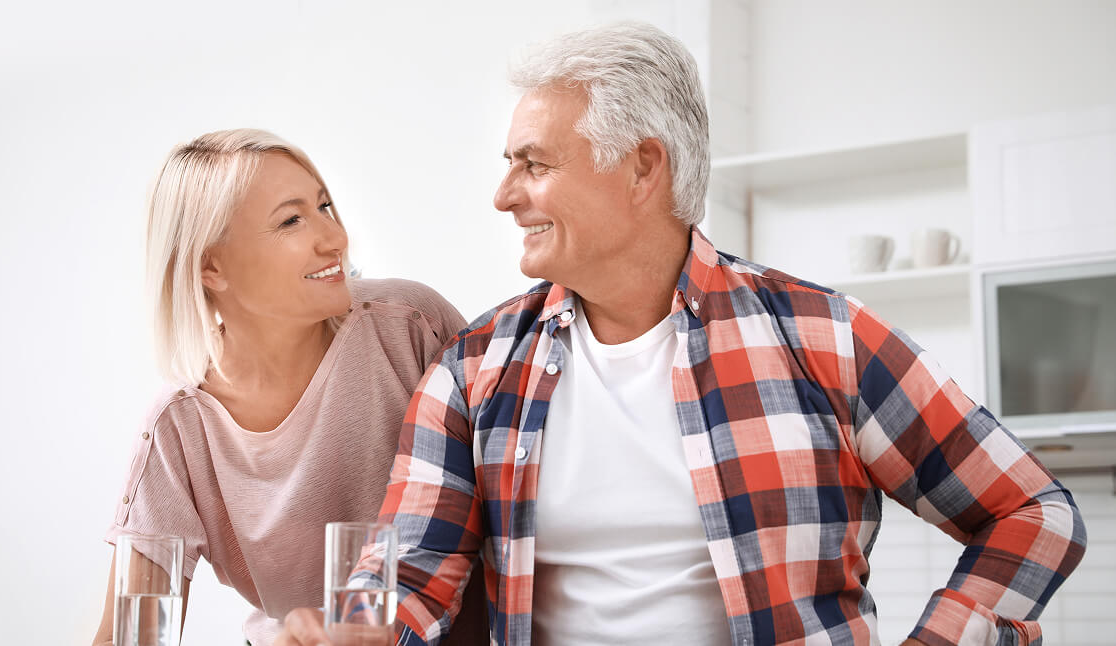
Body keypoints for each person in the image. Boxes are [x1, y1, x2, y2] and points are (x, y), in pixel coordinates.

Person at [277, 22, 1087, 646]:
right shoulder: (474, 372)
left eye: (534, 164)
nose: (503, 195)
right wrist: (360, 630)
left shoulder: (822, 339)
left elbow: (1031, 511)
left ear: (642, 167)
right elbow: (407, 575)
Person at [90, 129, 487, 646]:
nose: (335, 238)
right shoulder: (180, 427)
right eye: (291, 220)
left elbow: (509, 495)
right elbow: (134, 632)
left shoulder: (411, 325)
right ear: (211, 265)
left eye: (325, 206)